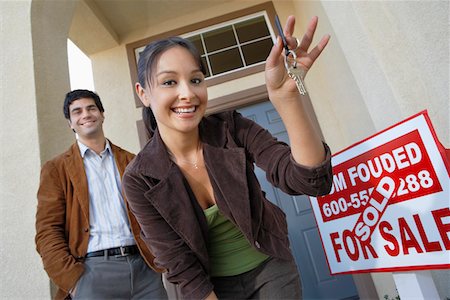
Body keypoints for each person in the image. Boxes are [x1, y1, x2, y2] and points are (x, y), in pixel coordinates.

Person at [123, 15, 332, 300]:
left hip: (271, 267)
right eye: (169, 82)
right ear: (143, 93)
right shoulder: (139, 178)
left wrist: (287, 99)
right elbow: (178, 262)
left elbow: (309, 182)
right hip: (206, 285)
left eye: (195, 79)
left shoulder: (231, 128)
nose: (187, 93)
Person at [35, 89, 168, 300]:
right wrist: (72, 281)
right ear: (70, 123)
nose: (85, 114)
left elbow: (156, 213)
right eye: (77, 112)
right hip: (92, 273)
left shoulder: (132, 161)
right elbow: (47, 231)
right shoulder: (56, 169)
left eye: (91, 108)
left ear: (102, 114)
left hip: (144, 270)